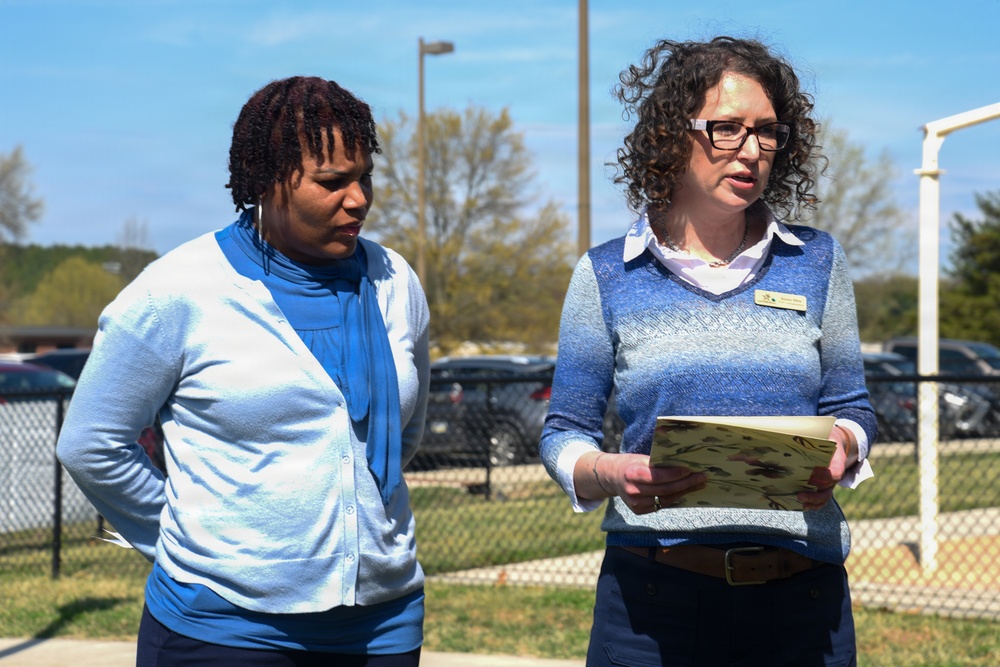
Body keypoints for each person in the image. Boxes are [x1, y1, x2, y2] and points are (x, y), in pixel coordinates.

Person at [57, 76, 431, 666]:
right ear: (265, 183)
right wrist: (191, 539)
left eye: (365, 177)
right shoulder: (179, 291)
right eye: (332, 182)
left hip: (383, 625)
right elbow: (90, 443)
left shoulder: (394, 282)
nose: (358, 198)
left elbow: (400, 434)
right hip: (221, 630)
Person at [539, 37, 876, 666]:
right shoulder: (606, 274)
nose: (750, 150)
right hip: (650, 603)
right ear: (672, 135)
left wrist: (846, 447)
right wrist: (610, 472)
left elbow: (854, 408)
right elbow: (564, 433)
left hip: (804, 602)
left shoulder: (819, 263)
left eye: (767, 132)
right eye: (726, 129)